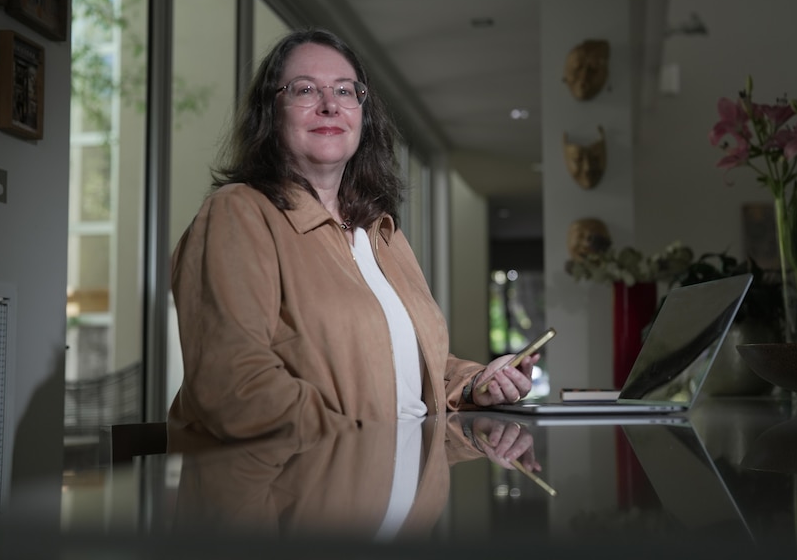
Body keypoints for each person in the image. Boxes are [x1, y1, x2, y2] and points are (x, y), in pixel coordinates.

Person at [168, 28, 537, 450]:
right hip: (307, 479)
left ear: (363, 113)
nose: (330, 105)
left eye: (345, 91)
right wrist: (359, 446)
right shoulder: (238, 213)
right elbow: (233, 381)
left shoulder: (381, 232)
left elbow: (402, 368)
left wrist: (474, 384)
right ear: (271, 112)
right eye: (305, 89)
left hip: (404, 478)